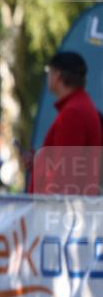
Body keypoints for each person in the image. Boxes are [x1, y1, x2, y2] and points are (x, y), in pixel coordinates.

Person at [32, 51, 103, 195]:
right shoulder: (80, 106)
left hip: (62, 211)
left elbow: (64, 175)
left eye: (48, 71)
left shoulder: (73, 112)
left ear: (57, 75)